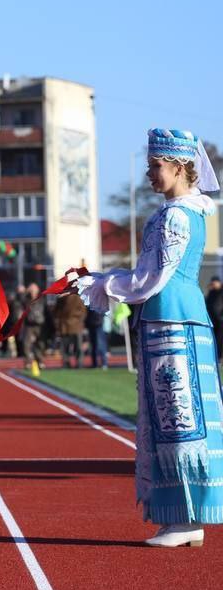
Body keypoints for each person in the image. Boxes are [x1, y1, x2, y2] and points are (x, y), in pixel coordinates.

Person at [75, 128, 221, 547]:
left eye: (156, 166)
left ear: (179, 166)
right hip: (169, 321)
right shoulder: (180, 212)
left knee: (177, 416)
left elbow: (149, 279)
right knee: (170, 417)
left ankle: (186, 518)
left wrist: (104, 283)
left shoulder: (177, 216)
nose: (150, 174)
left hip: (174, 321)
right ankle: (180, 516)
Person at [53, 292, 87, 368]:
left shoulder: (77, 298)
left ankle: (78, 363)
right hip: (66, 325)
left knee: (77, 347)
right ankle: (68, 362)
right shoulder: (61, 299)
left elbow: (83, 311)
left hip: (74, 325)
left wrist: (77, 319)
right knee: (66, 347)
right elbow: (56, 312)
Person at [206, 277, 223, 360]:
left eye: (215, 283)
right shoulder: (211, 292)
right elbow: (208, 303)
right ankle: (214, 356)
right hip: (212, 320)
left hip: (220, 320)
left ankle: (219, 356)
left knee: (220, 339)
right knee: (214, 339)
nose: (213, 285)